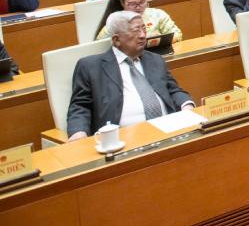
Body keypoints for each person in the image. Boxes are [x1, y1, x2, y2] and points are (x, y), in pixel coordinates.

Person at [66, 10, 193, 140]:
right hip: (121, 138)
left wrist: (186, 105)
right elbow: (81, 105)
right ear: (116, 40)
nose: (143, 35)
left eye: (144, 28)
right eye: (136, 31)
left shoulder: (155, 60)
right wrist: (78, 131)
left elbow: (173, 90)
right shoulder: (91, 67)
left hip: (167, 130)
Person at [94, 0, 180, 46]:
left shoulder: (158, 15)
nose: (138, 7)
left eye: (142, 2)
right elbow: (100, 46)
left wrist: (157, 39)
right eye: (132, 4)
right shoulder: (114, 22)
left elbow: (177, 34)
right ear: (122, 2)